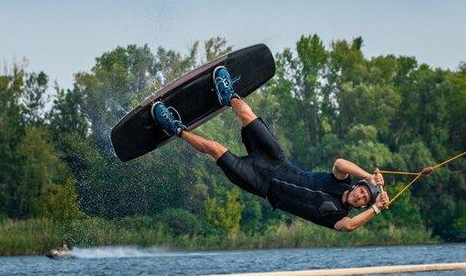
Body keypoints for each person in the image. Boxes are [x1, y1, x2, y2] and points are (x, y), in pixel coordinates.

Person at [150, 65, 391, 231]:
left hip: (259, 183)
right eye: (362, 192)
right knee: (247, 114)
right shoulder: (342, 182)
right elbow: (340, 163)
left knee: (214, 148)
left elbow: (349, 227)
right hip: (277, 161)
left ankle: (175, 128)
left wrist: (376, 209)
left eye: (363, 200)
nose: (360, 197)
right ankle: (228, 95)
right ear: (358, 186)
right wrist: (369, 176)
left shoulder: (339, 215)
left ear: (362, 205)